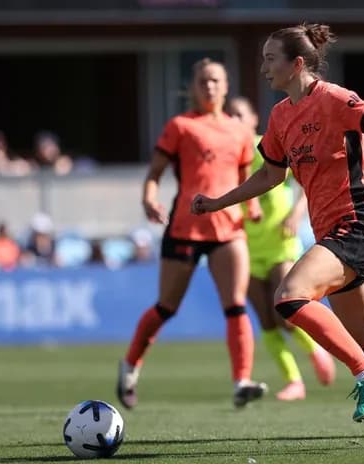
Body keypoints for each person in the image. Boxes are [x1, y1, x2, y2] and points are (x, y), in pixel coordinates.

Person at [191, 23, 364, 447]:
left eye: (270, 58)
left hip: (362, 222)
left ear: (297, 64)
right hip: (336, 231)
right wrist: (218, 202)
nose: (263, 68)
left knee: (289, 297)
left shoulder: (334, 99)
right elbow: (270, 175)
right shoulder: (280, 115)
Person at [116, 58, 268, 410]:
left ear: (226, 86)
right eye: (203, 81)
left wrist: (252, 206)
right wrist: (149, 200)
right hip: (185, 227)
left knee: (235, 305)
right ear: (193, 88)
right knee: (166, 307)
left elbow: (245, 176)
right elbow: (154, 174)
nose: (210, 87)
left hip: (228, 228)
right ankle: (130, 366)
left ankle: (241, 380)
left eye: (215, 80)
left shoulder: (239, 131)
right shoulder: (180, 126)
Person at [226, 96, 337, 401]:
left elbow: (304, 179)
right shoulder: (226, 154)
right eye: (229, 115)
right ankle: (294, 382)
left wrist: (296, 213)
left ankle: (316, 352)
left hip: (280, 244)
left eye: (240, 114)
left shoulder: (266, 146)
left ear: (252, 119)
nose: (234, 120)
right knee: (265, 319)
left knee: (287, 311)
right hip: (246, 248)